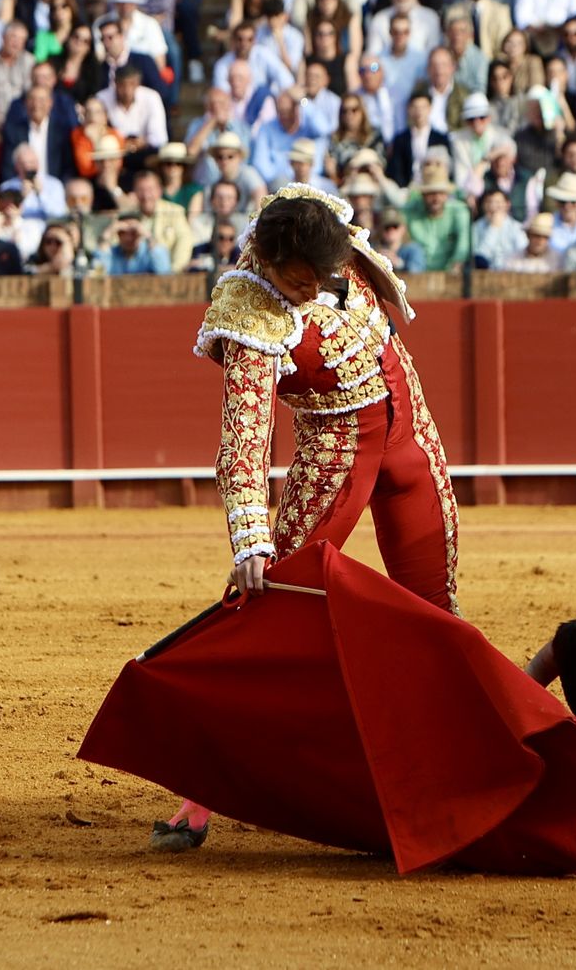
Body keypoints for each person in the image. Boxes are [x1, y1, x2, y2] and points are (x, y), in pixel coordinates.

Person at [144, 185, 461, 853]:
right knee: (273, 614)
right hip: (337, 450)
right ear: (266, 255)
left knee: (437, 614)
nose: (313, 291)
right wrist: (252, 537)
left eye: (323, 277)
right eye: (299, 281)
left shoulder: (316, 230)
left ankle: (452, 780)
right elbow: (246, 435)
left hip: (411, 426)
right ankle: (199, 799)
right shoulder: (250, 313)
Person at [102, 210, 172, 274]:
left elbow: (164, 273)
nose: (128, 238)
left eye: (133, 232)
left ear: (140, 232)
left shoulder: (149, 253)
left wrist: (149, 237)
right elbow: (99, 275)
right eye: (123, 232)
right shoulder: (111, 254)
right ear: (118, 234)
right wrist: (107, 234)